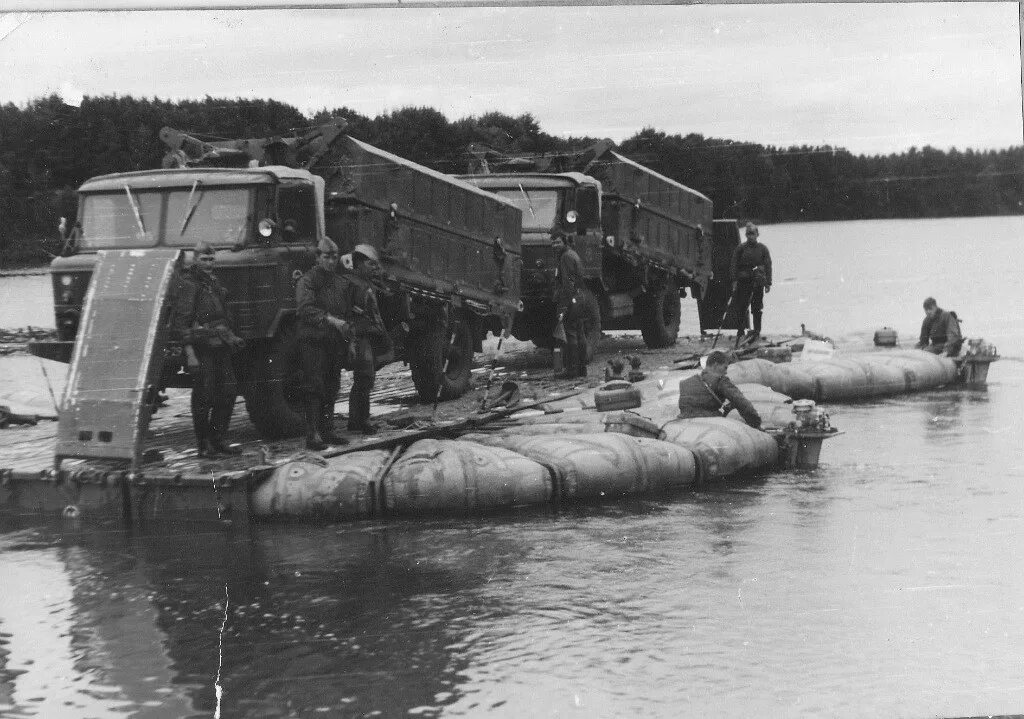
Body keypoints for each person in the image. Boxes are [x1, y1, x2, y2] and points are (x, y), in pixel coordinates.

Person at [173, 242, 245, 458]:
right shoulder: (189, 285)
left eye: (211, 259)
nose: (208, 264)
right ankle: (204, 445)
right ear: (195, 260)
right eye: (204, 260)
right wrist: (190, 353)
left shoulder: (212, 283)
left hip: (220, 344)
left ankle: (218, 440)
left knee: (229, 392)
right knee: (205, 396)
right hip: (201, 348)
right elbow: (182, 323)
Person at [296, 237, 351, 450]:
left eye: (334, 257)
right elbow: (305, 309)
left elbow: (346, 313)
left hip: (333, 342)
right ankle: (313, 433)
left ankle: (327, 430)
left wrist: (349, 339)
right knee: (313, 387)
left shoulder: (339, 282)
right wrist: (330, 320)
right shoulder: (308, 281)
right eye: (326, 257)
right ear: (318, 257)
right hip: (313, 341)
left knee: (332, 386)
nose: (331, 261)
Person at [342, 244, 391, 435]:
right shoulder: (353, 284)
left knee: (364, 378)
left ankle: (357, 420)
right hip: (359, 336)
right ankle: (361, 421)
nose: (374, 268)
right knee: (364, 377)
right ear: (360, 264)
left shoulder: (364, 283)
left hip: (365, 335)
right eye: (371, 264)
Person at [677, 350, 762, 429]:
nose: (726, 372)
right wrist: (756, 424)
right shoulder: (720, 381)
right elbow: (742, 402)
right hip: (709, 424)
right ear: (715, 365)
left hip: (683, 423)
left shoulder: (686, 383)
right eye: (725, 368)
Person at [728, 222, 772, 345]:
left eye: (752, 234)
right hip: (743, 283)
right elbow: (733, 265)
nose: (750, 236)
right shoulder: (741, 248)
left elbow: (768, 265)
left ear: (757, 234)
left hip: (757, 283)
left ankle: (757, 331)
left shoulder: (763, 249)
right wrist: (734, 280)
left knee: (757, 308)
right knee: (742, 307)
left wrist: (768, 283)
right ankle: (741, 332)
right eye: (748, 234)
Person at [552, 233, 588, 378]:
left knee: (570, 333)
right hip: (580, 297)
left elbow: (567, 283)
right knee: (580, 333)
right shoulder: (573, 254)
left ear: (565, 242)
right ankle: (582, 369)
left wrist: (564, 307)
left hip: (570, 299)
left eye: (558, 242)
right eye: (553, 243)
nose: (555, 245)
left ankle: (572, 370)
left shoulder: (565, 257)